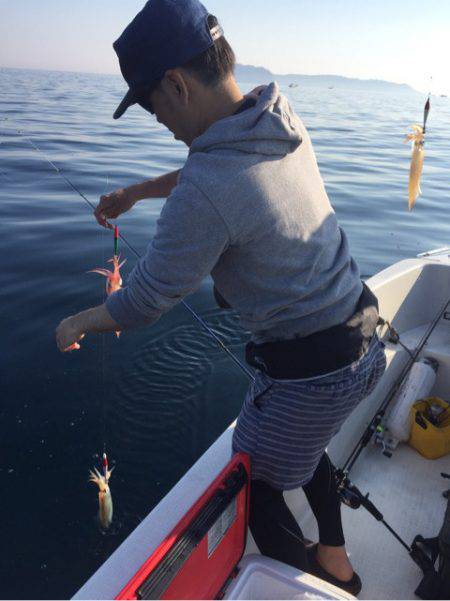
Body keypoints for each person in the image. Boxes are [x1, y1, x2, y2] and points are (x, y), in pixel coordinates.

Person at [56, 0, 386, 594]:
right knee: (305, 447)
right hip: (364, 334)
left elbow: (145, 300)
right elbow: (213, 173)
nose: (158, 120)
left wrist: (77, 322)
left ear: (176, 85)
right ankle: (333, 551)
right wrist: (140, 191)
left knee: (252, 478)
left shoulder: (208, 190)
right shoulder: (275, 114)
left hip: (310, 374)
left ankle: (327, 584)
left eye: (152, 105)